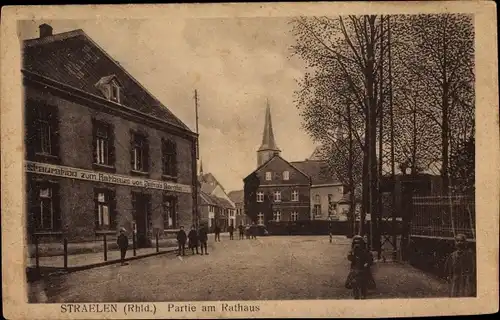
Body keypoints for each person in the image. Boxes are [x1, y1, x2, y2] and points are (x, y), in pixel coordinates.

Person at [345, 235, 374, 299]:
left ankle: (364, 294)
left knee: (365, 283)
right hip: (355, 269)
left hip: (364, 270)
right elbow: (350, 258)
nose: (357, 245)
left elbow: (370, 260)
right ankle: (356, 295)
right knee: (353, 282)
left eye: (359, 243)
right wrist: (352, 253)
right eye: (355, 243)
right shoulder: (353, 251)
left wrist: (367, 263)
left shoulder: (366, 251)